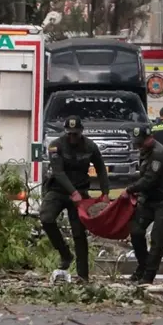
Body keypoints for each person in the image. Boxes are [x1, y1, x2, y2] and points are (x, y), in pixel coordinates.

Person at [41, 115, 110, 282]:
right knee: (46, 218)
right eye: (70, 134)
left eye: (76, 134)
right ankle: (65, 254)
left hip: (81, 192)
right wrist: (72, 192)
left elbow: (101, 168)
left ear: (81, 133)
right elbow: (58, 172)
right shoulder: (56, 146)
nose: (72, 137)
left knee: (79, 233)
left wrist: (105, 193)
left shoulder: (90, 146)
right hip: (58, 190)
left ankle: (83, 275)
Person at [125, 125, 163, 285]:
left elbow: (149, 179)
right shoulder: (145, 151)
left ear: (150, 138)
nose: (139, 146)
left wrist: (130, 189)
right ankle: (143, 266)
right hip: (148, 200)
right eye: (137, 144)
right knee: (136, 232)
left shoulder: (158, 154)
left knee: (157, 238)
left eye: (141, 143)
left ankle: (148, 276)